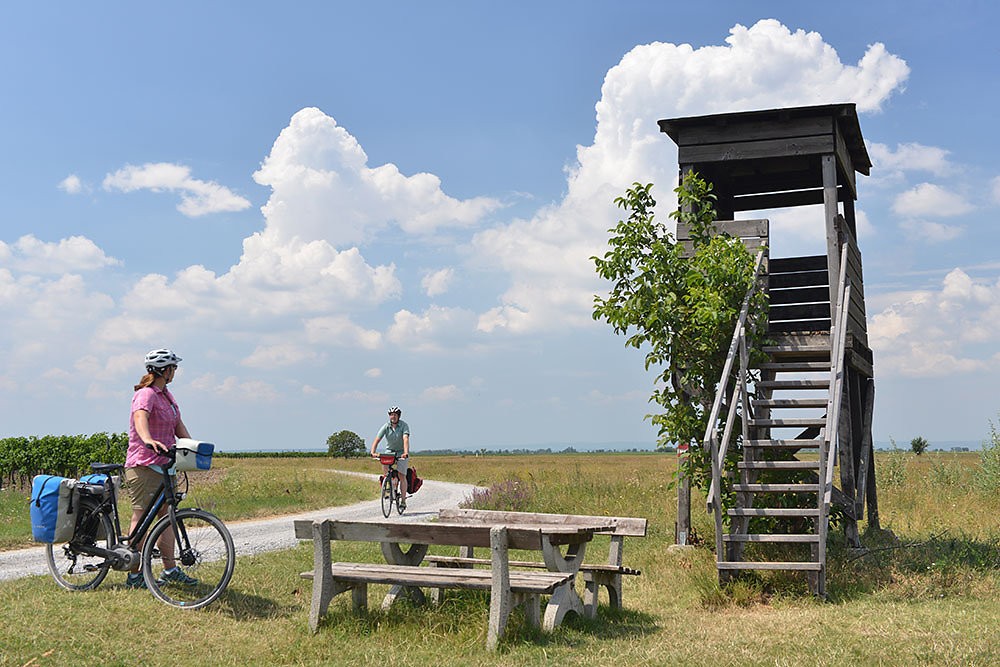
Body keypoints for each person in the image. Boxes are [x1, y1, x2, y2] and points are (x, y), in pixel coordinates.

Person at [123, 348, 198, 589]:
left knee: (168, 518)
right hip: (144, 464)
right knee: (141, 516)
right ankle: (134, 574)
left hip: (166, 465)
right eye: (173, 368)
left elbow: (179, 426)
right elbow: (140, 418)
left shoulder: (167, 396)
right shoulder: (146, 394)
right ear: (165, 370)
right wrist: (147, 439)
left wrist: (193, 448)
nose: (175, 372)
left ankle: (170, 569)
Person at [370, 405, 410, 509]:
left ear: (399, 416)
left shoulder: (404, 425)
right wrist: (373, 451)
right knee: (386, 471)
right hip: (390, 451)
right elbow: (377, 439)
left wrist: (405, 452)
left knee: (402, 475)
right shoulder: (386, 426)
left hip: (401, 452)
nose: (393, 417)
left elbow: (405, 439)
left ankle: (403, 501)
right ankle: (388, 486)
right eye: (391, 415)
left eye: (395, 415)